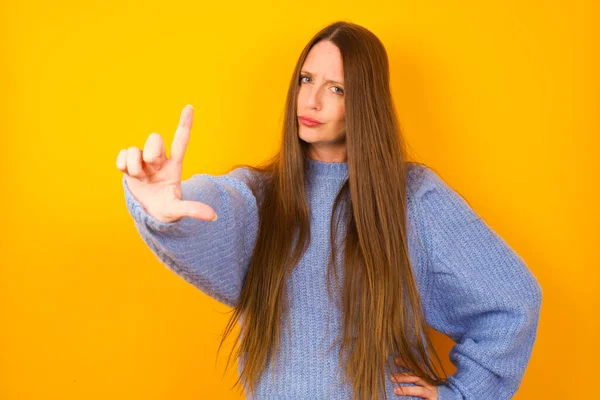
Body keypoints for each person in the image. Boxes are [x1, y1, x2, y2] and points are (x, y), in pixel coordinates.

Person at [116, 21, 542, 400]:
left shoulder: (413, 197)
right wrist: (165, 209)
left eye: (336, 88)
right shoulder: (263, 194)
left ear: (365, 102)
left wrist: (465, 393)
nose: (312, 100)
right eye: (305, 79)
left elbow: (514, 300)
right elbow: (217, 203)